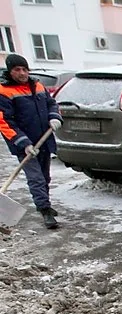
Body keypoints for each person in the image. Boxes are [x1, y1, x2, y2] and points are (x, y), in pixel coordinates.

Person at [0, 54, 63, 229]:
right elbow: (4, 121)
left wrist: (54, 117)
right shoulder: (4, 92)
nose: (22, 73)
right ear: (10, 71)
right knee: (36, 178)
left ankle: (46, 204)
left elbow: (51, 103)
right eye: (17, 70)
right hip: (24, 144)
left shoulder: (37, 85)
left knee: (45, 177)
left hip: (43, 139)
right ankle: (44, 210)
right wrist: (23, 143)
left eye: (24, 69)